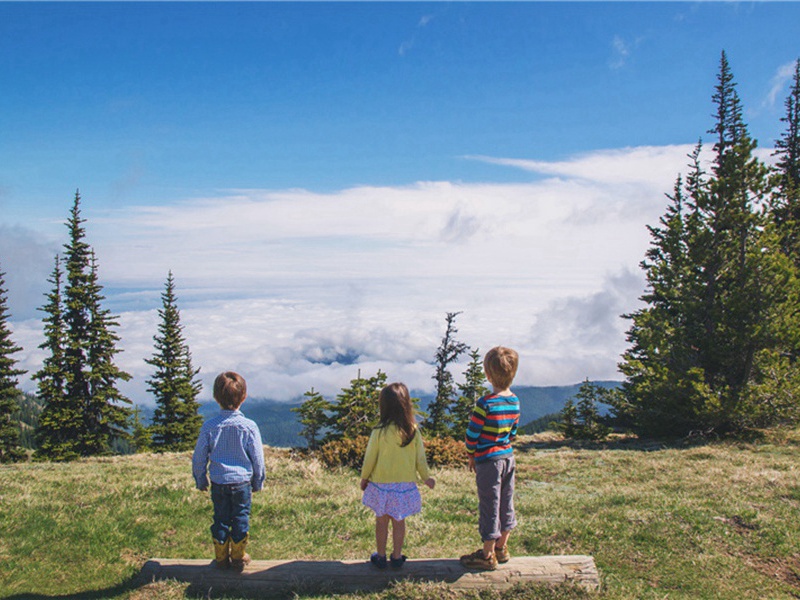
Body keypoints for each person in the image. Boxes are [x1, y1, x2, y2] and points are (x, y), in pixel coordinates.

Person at [192, 371, 266, 570]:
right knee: (241, 517)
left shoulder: (209, 427)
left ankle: (221, 557)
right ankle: (239, 556)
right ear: (244, 397)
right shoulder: (249, 427)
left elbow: (199, 456)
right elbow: (258, 457)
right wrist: (258, 481)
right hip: (241, 483)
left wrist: (200, 479)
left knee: (221, 519)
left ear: (216, 398)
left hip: (218, 482)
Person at [360, 382, 435, 569]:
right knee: (399, 521)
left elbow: (370, 458)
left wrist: (364, 478)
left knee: (381, 522)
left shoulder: (379, 432)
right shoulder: (412, 431)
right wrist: (426, 478)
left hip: (381, 485)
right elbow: (420, 459)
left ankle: (381, 556)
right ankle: (397, 556)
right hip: (404, 487)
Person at [460, 346, 521, 570]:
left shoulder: (484, 404)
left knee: (490, 504)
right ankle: (501, 548)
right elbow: (513, 432)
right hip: (508, 458)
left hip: (489, 461)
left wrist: (471, 454)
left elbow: (472, 434)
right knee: (506, 501)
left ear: (487, 374)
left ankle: (486, 554)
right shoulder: (514, 401)